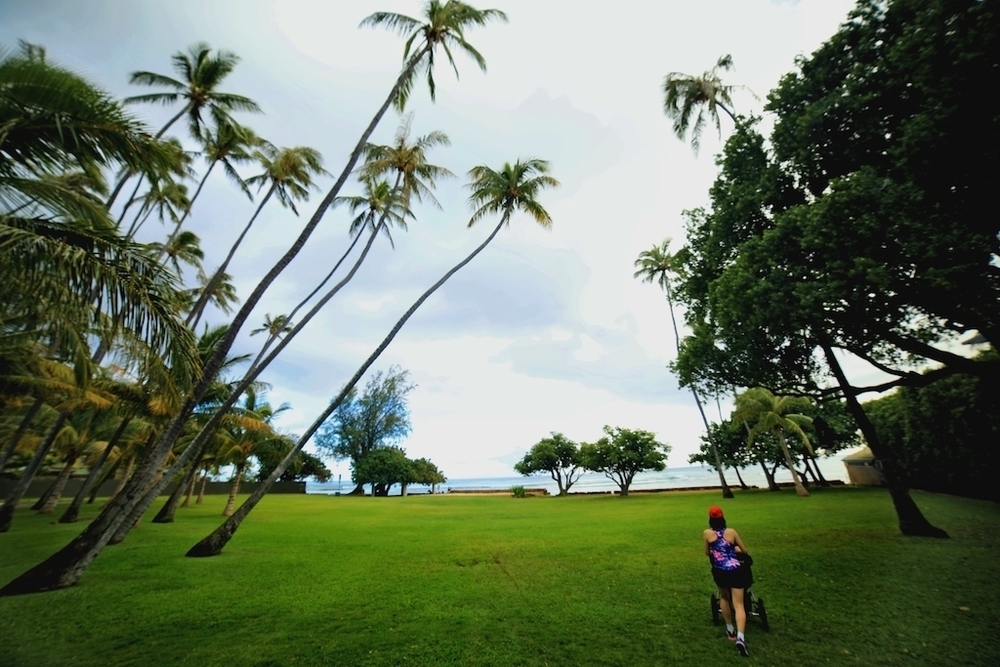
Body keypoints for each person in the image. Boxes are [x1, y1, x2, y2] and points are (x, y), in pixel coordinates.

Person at [704, 505, 751, 657]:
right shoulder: (731, 532)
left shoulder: (707, 534)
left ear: (710, 519)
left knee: (724, 597)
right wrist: (733, 550)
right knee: (739, 604)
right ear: (723, 517)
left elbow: (707, 552)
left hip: (719, 571)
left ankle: (730, 630)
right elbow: (744, 551)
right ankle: (741, 638)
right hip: (736, 570)